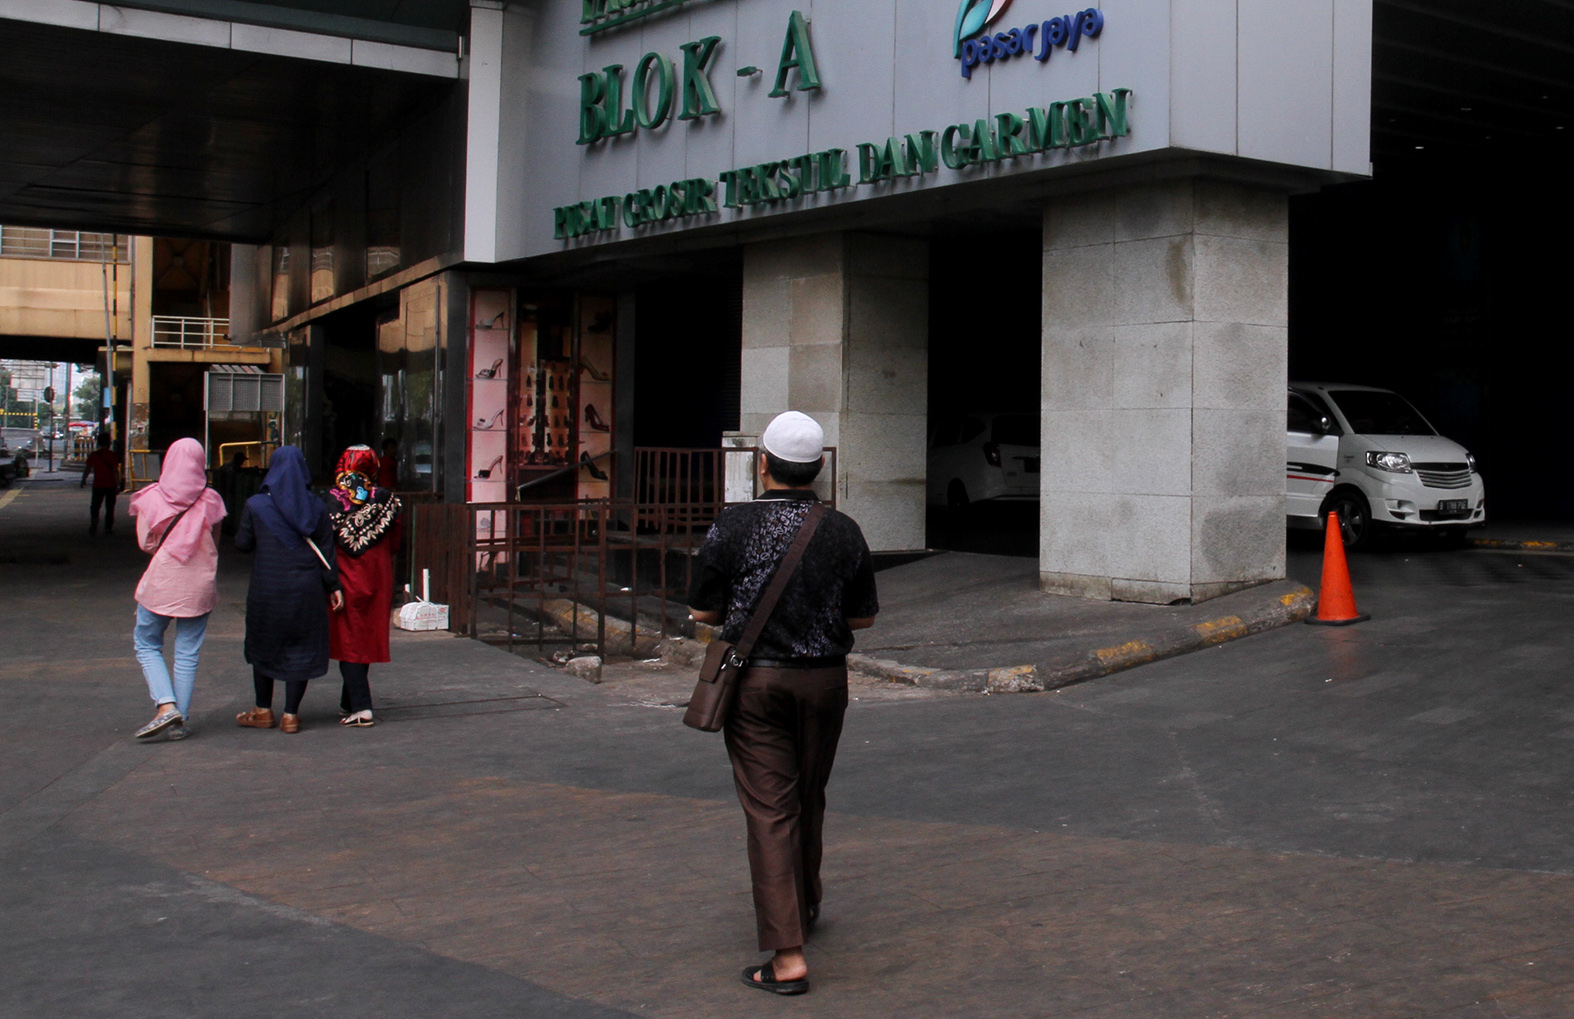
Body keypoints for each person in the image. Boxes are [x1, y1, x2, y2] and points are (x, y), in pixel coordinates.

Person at [687, 411, 879, 996]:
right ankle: (807, 902)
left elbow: (703, 612)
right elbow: (862, 616)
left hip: (757, 685)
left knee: (771, 809)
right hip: (825, 683)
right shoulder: (844, 529)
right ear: (819, 468)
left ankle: (788, 956)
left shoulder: (731, 525)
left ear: (762, 464)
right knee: (808, 793)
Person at [233, 446, 343, 734]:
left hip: (267, 589)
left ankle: (263, 710)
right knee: (301, 648)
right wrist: (334, 586)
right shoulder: (317, 506)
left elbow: (242, 544)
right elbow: (327, 552)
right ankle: (291, 715)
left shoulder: (256, 505)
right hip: (306, 591)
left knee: (263, 645)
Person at [126, 438, 228, 741]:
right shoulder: (212, 499)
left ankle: (166, 705)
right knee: (187, 652)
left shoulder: (152, 498)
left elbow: (146, 544)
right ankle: (179, 722)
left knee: (146, 643)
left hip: (162, 583)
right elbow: (216, 543)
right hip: (199, 585)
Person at [326, 445, 402, 727]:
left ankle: (361, 707)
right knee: (364, 637)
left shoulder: (331, 500)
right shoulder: (387, 500)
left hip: (346, 576)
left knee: (349, 640)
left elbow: (324, 543)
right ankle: (350, 700)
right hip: (378, 575)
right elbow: (395, 543)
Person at [81, 434, 122, 534]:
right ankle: (108, 528)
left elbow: (87, 469)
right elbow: (115, 471)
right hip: (111, 485)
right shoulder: (113, 455)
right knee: (110, 507)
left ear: (98, 443)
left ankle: (94, 524)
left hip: (98, 485)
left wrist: (83, 480)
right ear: (109, 443)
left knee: (95, 506)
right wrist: (118, 484)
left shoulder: (94, 455)